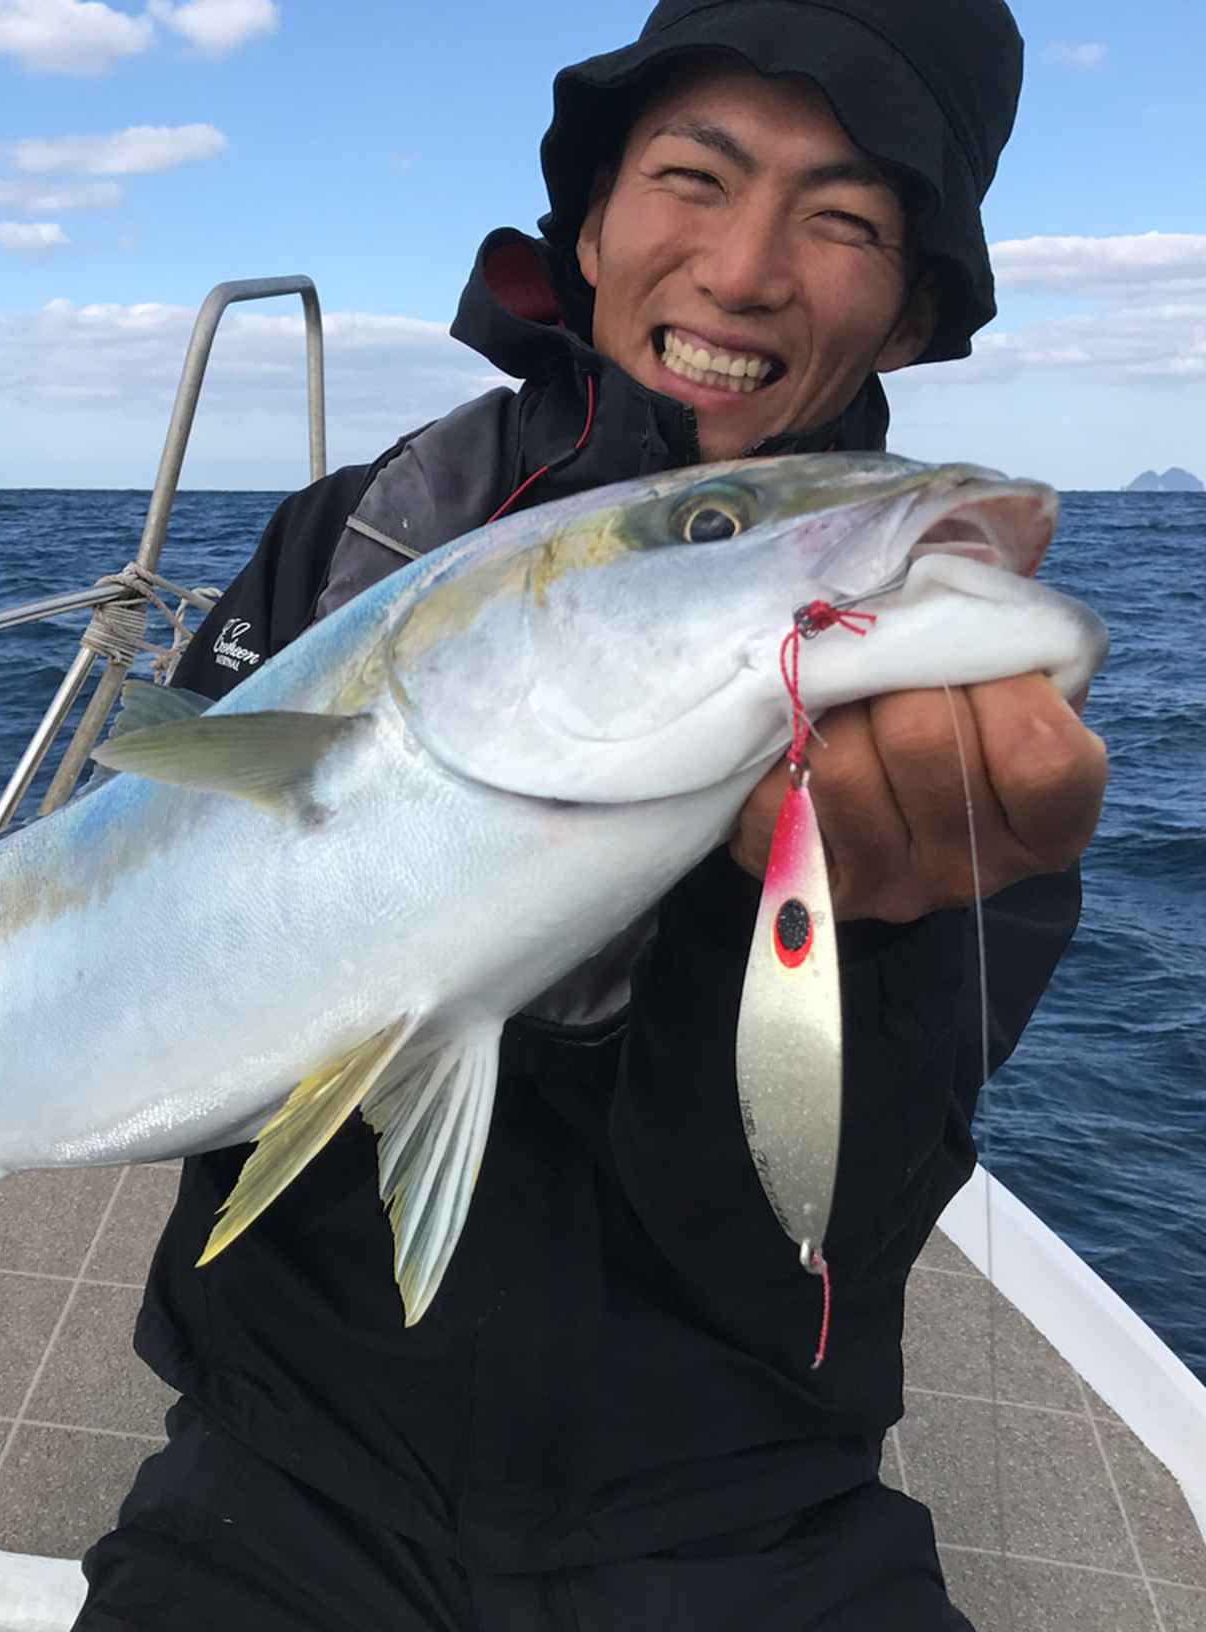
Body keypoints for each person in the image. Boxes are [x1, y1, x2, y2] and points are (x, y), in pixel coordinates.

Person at [72, 1, 1108, 1627]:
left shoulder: (941, 705)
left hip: (743, 1513)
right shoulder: (350, 539)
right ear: (597, 216)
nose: (748, 267)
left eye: (845, 219)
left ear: (912, 309)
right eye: (696, 174)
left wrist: (847, 939)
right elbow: (129, 916)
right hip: (279, 1466)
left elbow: (793, 1227)